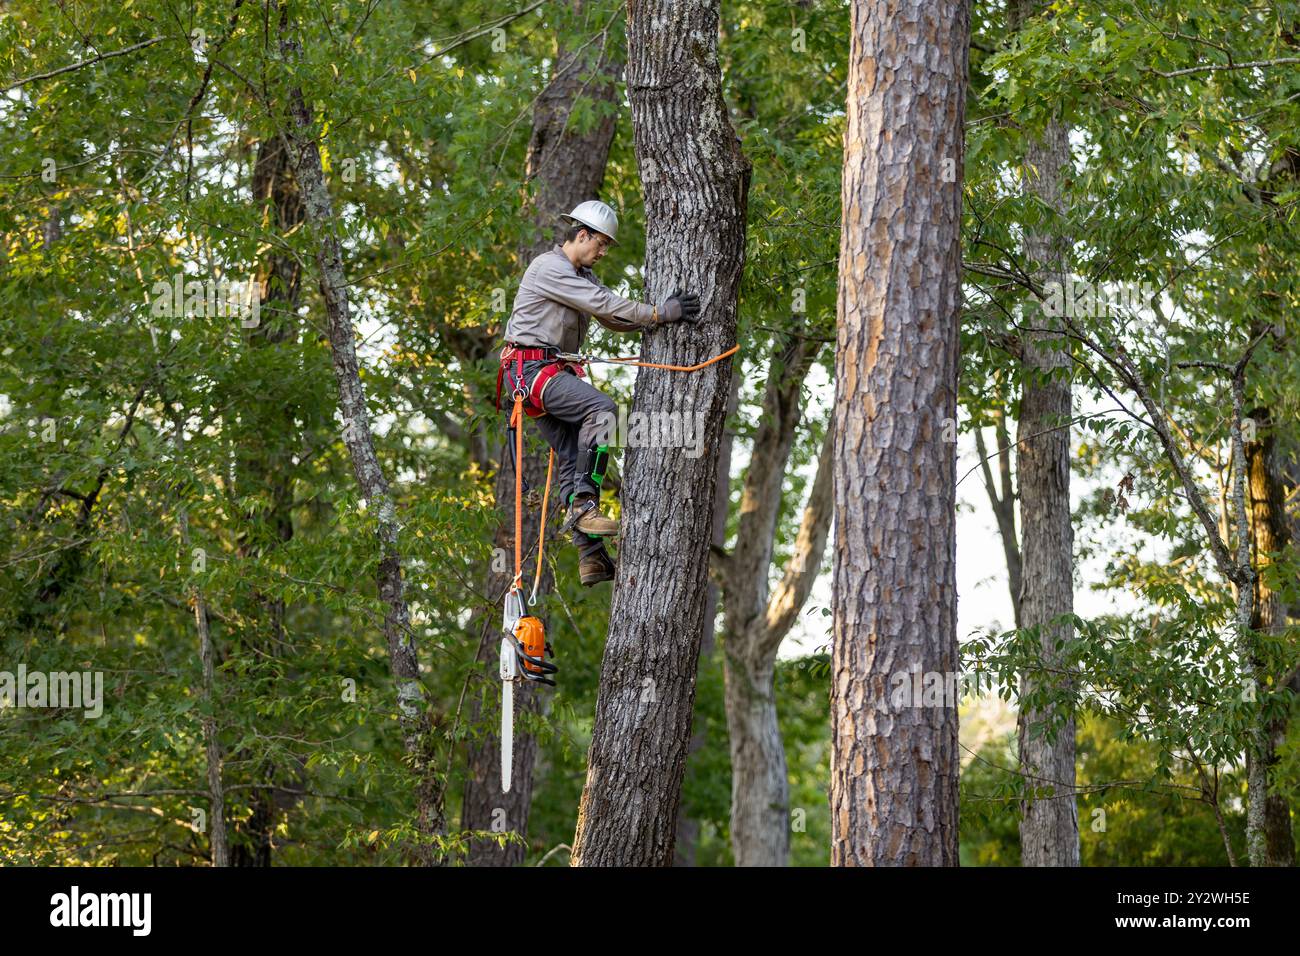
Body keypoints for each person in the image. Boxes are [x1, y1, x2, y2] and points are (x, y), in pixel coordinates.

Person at [500, 200, 701, 586]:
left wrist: (653, 319)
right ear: (582, 235)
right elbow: (603, 304)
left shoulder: (582, 276)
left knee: (574, 452)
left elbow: (610, 317)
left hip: (542, 373)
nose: (603, 252)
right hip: (531, 371)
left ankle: (590, 556)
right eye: (601, 243)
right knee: (603, 410)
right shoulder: (549, 268)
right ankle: (586, 506)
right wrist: (660, 312)